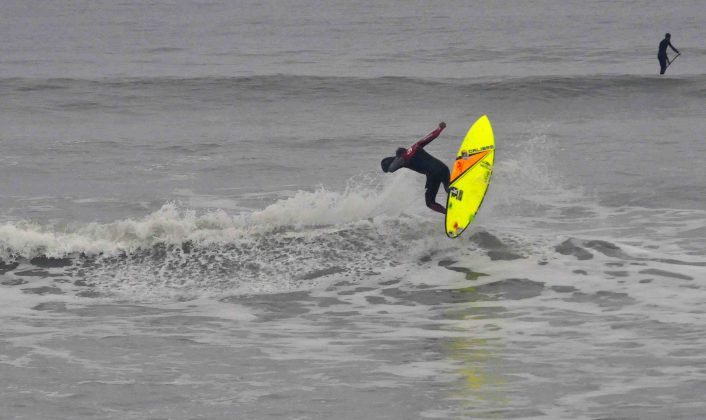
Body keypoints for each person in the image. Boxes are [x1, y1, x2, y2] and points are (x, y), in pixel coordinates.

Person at [381, 122, 450, 214]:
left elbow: (391, 168)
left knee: (430, 203)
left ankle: (449, 212)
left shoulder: (402, 161)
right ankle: (454, 192)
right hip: (443, 169)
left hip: (434, 174)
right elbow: (429, 137)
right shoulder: (415, 146)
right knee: (447, 188)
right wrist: (440, 129)